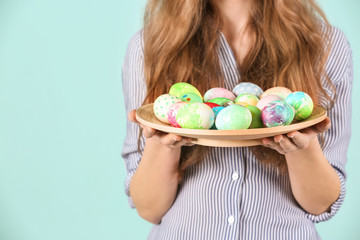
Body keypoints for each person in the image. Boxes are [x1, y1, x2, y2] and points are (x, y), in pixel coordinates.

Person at [121, 0, 353, 239]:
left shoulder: (324, 45)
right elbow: (149, 209)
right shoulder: (150, 46)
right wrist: (163, 141)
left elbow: (322, 204)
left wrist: (300, 146)